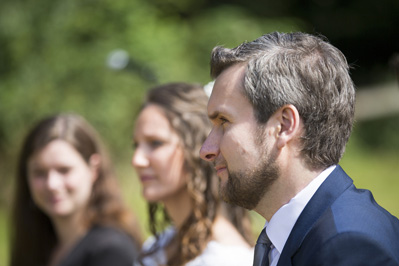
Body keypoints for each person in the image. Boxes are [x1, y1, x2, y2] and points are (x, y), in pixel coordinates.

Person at [199, 32, 399, 266]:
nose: (206, 149)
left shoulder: (349, 248)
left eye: (224, 121)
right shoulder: (286, 236)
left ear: (284, 125)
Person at [131, 82, 254, 266]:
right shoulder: (157, 246)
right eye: (136, 145)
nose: (137, 160)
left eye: (155, 143)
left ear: (198, 147)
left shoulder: (228, 259)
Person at [10, 113, 141, 266]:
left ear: (93, 169)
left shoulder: (111, 251)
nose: (52, 184)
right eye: (39, 173)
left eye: (64, 170)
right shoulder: (38, 246)